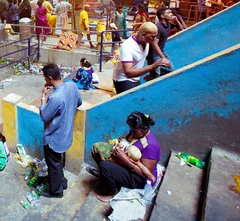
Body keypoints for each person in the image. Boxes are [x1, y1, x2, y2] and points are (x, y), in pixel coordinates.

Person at [91, 112, 160, 202]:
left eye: (134, 130)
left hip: (139, 179)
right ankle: (109, 178)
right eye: (131, 129)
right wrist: (122, 141)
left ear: (145, 128)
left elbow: (144, 174)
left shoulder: (151, 146)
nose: (132, 131)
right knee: (97, 148)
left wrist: (125, 160)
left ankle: (113, 193)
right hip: (128, 161)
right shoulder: (135, 132)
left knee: (105, 166)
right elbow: (128, 142)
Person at [38, 64, 81, 198]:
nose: (45, 81)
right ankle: (62, 182)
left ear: (50, 78)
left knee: (53, 164)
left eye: (45, 78)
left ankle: (56, 191)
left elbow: (44, 116)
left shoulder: (55, 97)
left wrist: (44, 98)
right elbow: (78, 102)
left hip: (54, 138)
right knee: (57, 162)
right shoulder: (72, 86)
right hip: (66, 135)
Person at [112, 22, 170, 94]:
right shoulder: (128, 46)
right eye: (153, 36)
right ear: (143, 35)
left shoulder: (147, 40)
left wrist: (164, 58)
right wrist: (152, 66)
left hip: (135, 78)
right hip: (124, 79)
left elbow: (155, 45)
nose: (155, 39)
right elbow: (128, 73)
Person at [146, 8, 175, 80]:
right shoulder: (158, 27)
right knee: (157, 76)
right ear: (162, 16)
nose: (171, 14)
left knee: (172, 70)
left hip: (161, 50)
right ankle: (151, 77)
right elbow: (154, 44)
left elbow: (183, 29)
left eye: (171, 12)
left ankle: (150, 76)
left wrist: (176, 20)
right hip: (154, 53)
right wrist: (163, 58)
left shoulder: (168, 24)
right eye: (168, 13)